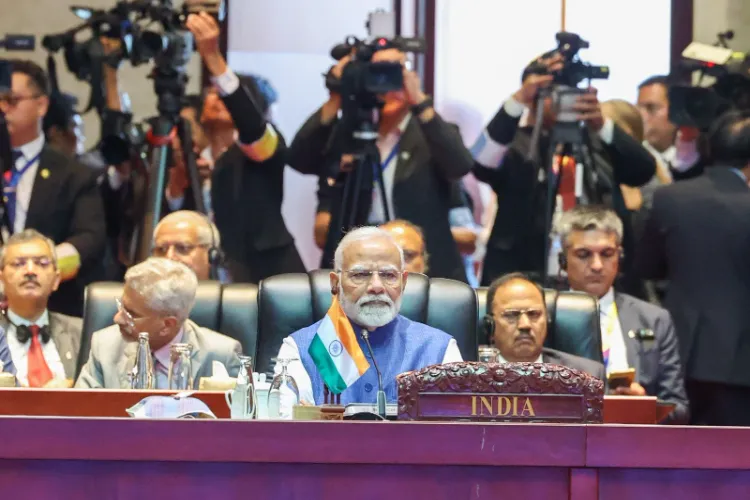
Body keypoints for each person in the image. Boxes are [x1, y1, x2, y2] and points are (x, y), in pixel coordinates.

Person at [289, 44, 474, 283]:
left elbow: (460, 165)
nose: (386, 84)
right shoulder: (348, 134)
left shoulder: (430, 133)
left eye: (394, 72)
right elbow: (298, 160)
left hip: (423, 265)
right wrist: (337, 95)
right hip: (360, 267)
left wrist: (419, 101)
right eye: (376, 72)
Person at [471, 53, 656, 291]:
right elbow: (479, 163)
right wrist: (518, 100)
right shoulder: (519, 145)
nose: (563, 102)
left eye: (570, 93)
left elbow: (643, 170)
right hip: (524, 275)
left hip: (593, 277)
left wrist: (602, 125)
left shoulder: (597, 144)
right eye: (553, 94)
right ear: (536, 99)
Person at [636, 110, 750, 426]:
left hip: (677, 354)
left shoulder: (669, 198)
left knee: (676, 461)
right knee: (733, 466)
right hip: (741, 365)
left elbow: (647, 266)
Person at [275, 227, 463, 408]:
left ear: (403, 283)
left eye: (388, 275)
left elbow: (454, 432)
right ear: (335, 283)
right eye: (361, 274)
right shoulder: (301, 349)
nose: (376, 286)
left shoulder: (440, 349)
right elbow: (290, 432)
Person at [186, 13, 306, 283]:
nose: (215, 96)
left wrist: (214, 60)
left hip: (267, 272)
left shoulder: (264, 147)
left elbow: (251, 127)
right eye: (212, 92)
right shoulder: (193, 157)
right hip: (212, 273)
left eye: (223, 93)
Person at [556, 206, 689, 423]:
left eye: (607, 254)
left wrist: (645, 405)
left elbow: (679, 408)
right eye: (584, 255)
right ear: (563, 261)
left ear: (620, 257)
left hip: (632, 445)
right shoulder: (542, 316)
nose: (597, 265)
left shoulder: (654, 320)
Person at [0, 60, 106, 317]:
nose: (2, 109)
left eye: (11, 100)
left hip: (54, 307)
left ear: (41, 105)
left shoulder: (73, 173)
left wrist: (35, 268)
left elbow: (89, 239)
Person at [75, 258, 242, 389]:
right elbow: (78, 415)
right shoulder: (104, 346)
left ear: (167, 325)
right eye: (121, 306)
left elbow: (235, 427)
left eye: (131, 314)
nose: (117, 318)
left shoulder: (222, 355)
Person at [0, 230, 82, 387]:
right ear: (1, 278)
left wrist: (75, 387)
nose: (30, 271)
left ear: (57, 279)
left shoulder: (83, 333)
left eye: (42, 263)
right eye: (19, 264)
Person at [637, 75, 702, 180]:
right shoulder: (634, 161)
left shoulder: (702, 158)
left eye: (651, 108)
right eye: (638, 108)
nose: (641, 116)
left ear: (678, 111)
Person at [152, 210, 221, 281]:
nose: (169, 257)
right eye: (162, 249)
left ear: (211, 256)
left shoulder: (228, 292)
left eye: (183, 248)